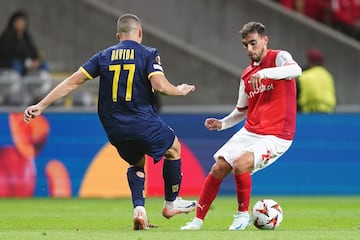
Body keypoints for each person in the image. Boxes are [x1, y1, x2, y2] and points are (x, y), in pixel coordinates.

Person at [24, 13, 196, 230]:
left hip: (114, 127)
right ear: (140, 33)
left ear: (118, 36)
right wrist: (179, 90)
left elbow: (72, 81)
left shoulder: (103, 56)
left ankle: (139, 210)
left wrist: (41, 105)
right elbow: (160, 86)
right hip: (141, 120)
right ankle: (171, 204)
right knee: (174, 148)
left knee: (136, 162)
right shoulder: (149, 53)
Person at [180, 21, 302, 231]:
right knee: (218, 167)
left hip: (277, 134)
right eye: (245, 45)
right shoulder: (247, 75)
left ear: (265, 40)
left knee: (240, 164)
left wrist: (265, 73)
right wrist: (222, 123)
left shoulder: (279, 57)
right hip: (250, 131)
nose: (249, 49)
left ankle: (242, 216)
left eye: (253, 43)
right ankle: (197, 221)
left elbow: (296, 70)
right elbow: (242, 110)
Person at [0, 10, 51, 105]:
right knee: (17, 65)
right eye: (18, 22)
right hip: (11, 66)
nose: (21, 24)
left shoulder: (26, 36)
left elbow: (34, 52)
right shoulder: (7, 36)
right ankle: (17, 96)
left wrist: (36, 60)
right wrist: (25, 62)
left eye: (23, 22)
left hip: (28, 65)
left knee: (43, 66)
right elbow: (6, 54)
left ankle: (43, 95)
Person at [296, 48, 336, 113]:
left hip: (307, 114)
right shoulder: (328, 76)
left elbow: (295, 96)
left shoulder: (304, 76)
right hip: (328, 114)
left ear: (310, 61)